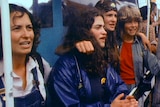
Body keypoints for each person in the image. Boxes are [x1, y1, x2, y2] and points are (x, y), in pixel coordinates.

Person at [47, 7, 138, 107]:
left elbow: (119, 85)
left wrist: (124, 101)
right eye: (98, 27)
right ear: (84, 31)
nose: (104, 32)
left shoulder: (99, 60)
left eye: (103, 27)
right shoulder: (65, 66)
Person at [0, 4, 51, 107]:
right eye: (17, 28)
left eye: (29, 27)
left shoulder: (38, 63)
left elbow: (63, 79)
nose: (26, 35)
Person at [117, 5, 160, 107]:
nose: (133, 25)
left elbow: (155, 66)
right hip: (117, 91)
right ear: (122, 23)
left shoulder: (140, 44)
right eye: (129, 22)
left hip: (135, 92)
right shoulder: (114, 43)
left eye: (136, 21)